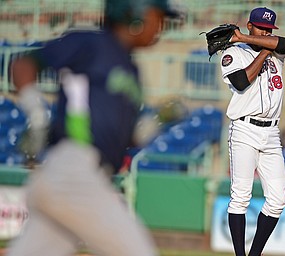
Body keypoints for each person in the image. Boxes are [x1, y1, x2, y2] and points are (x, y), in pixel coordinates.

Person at [6, 0, 175, 255]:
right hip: (74, 171)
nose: (161, 25)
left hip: (82, 177)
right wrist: (37, 114)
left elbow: (125, 135)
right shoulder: (91, 42)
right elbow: (23, 65)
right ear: (135, 14)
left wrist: (156, 122)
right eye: (156, 16)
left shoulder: (131, 68)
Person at [219, 7, 285, 256]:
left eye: (269, 30)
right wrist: (259, 49)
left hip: (271, 133)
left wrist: (249, 39)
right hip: (245, 129)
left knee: (278, 200)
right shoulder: (233, 53)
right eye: (261, 28)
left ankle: (255, 254)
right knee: (240, 197)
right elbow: (241, 82)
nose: (266, 32)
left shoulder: (277, 53)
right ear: (250, 25)